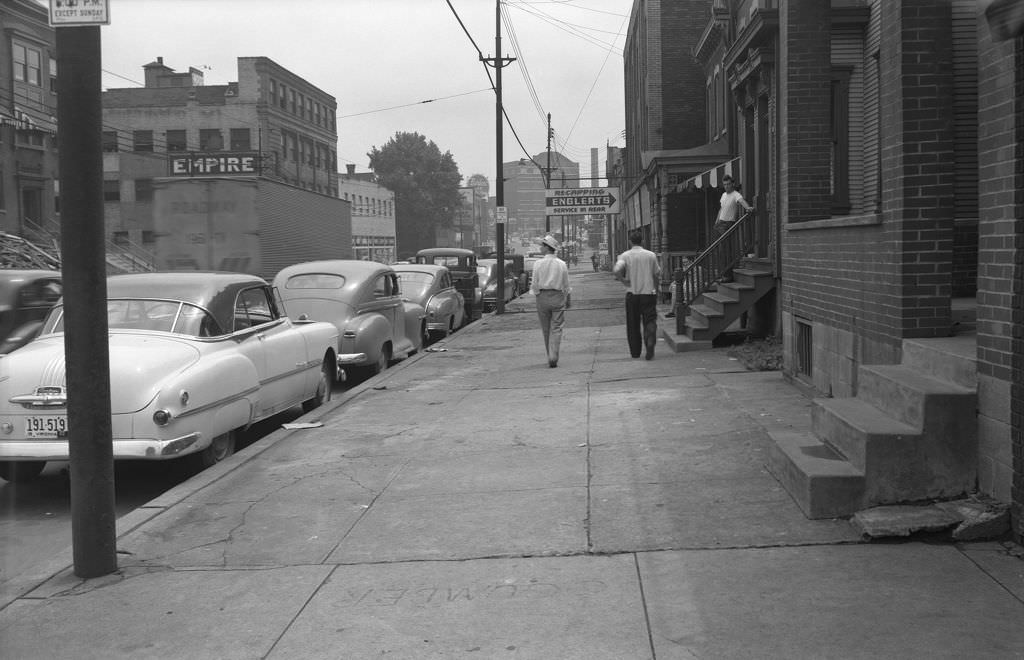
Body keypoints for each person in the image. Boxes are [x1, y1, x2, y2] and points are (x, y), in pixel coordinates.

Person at [613, 230, 661, 360]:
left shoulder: (625, 255)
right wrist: (656, 290)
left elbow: (616, 270)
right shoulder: (651, 255)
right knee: (650, 320)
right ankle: (649, 339)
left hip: (632, 294)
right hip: (648, 293)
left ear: (630, 242)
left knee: (633, 324)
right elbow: (656, 274)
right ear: (642, 241)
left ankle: (635, 352)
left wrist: (624, 281)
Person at [529, 234, 570, 368]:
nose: (540, 248)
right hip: (558, 296)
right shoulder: (562, 264)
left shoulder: (538, 264)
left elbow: (534, 284)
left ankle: (550, 356)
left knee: (546, 329)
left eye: (542, 245)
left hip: (542, 297)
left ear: (547, 248)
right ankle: (554, 355)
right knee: (557, 328)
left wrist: (537, 295)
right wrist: (567, 299)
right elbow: (566, 284)